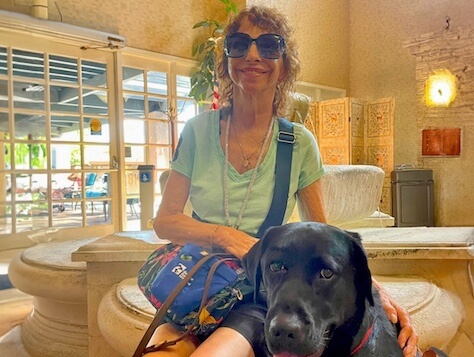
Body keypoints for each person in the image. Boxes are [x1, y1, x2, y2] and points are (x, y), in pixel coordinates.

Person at [151, 5, 418, 357]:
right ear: (226, 59)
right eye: (239, 43)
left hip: (256, 292)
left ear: (285, 64)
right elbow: (165, 220)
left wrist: (373, 289)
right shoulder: (198, 131)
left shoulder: (299, 142)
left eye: (269, 45)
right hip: (198, 284)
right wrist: (227, 236)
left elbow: (325, 236)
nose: (252, 55)